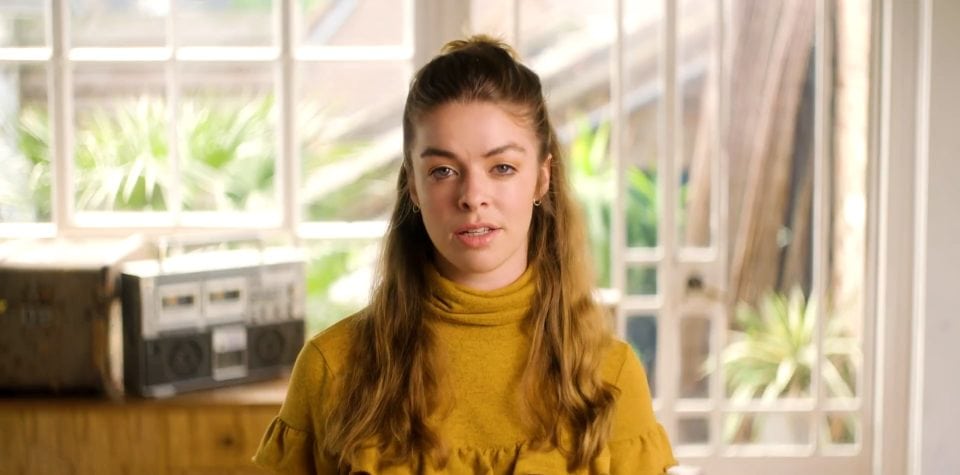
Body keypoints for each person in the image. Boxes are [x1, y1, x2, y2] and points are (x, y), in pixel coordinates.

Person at [253, 35, 676, 474]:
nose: (473, 196)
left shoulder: (610, 375)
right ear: (414, 186)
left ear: (541, 178)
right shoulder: (332, 368)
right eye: (444, 171)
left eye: (503, 168)